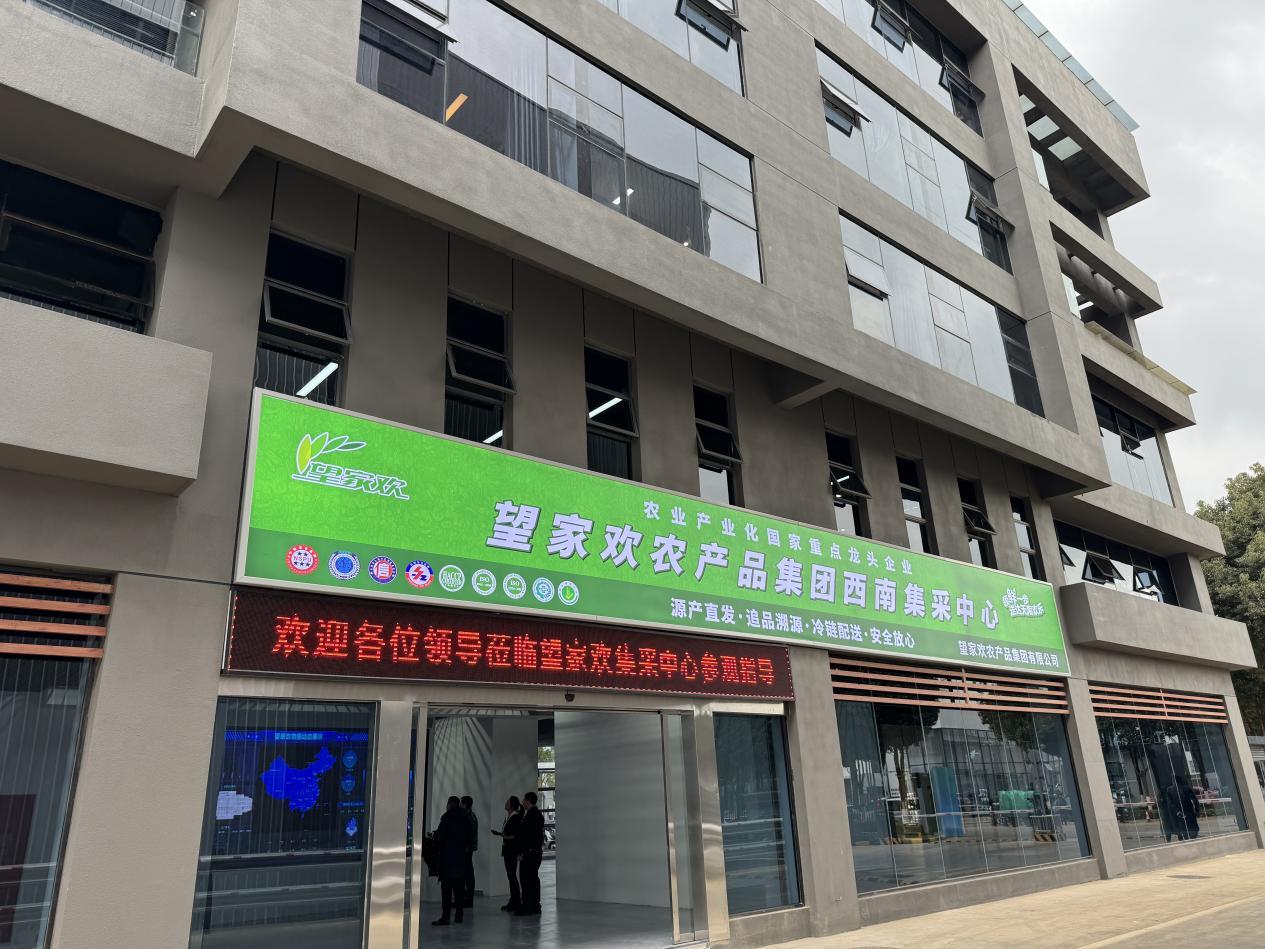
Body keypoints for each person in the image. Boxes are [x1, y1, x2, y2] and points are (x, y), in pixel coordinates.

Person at [432, 796, 474, 926]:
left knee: (446, 890)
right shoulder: (466, 818)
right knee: (459, 889)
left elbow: (440, 838)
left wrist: (437, 845)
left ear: (450, 804)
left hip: (447, 859)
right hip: (460, 858)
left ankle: (446, 917)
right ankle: (459, 915)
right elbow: (470, 837)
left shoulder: (446, 818)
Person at [491, 795, 524, 912]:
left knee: (512, 876)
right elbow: (509, 834)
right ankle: (513, 900)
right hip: (508, 850)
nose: (505, 803)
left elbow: (518, 835)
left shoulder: (515, 817)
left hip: (512, 851)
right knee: (511, 876)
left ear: (511, 805)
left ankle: (516, 901)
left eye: (507, 801)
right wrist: (500, 834)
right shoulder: (509, 817)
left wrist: (506, 837)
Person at [515, 790, 545, 916]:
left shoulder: (530, 816)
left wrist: (522, 852)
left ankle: (528, 906)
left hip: (529, 853)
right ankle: (535, 905)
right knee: (533, 879)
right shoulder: (537, 815)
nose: (522, 802)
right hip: (535, 853)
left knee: (526, 879)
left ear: (528, 801)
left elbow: (527, 837)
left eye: (523, 800)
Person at [460, 795, 478, 910]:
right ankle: (466, 898)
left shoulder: (469, 817)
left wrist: (467, 846)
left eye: (461, 803)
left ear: (465, 805)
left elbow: (470, 835)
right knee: (467, 872)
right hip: (467, 848)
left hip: (467, 849)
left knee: (467, 873)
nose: (459, 805)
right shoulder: (469, 816)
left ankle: (468, 899)